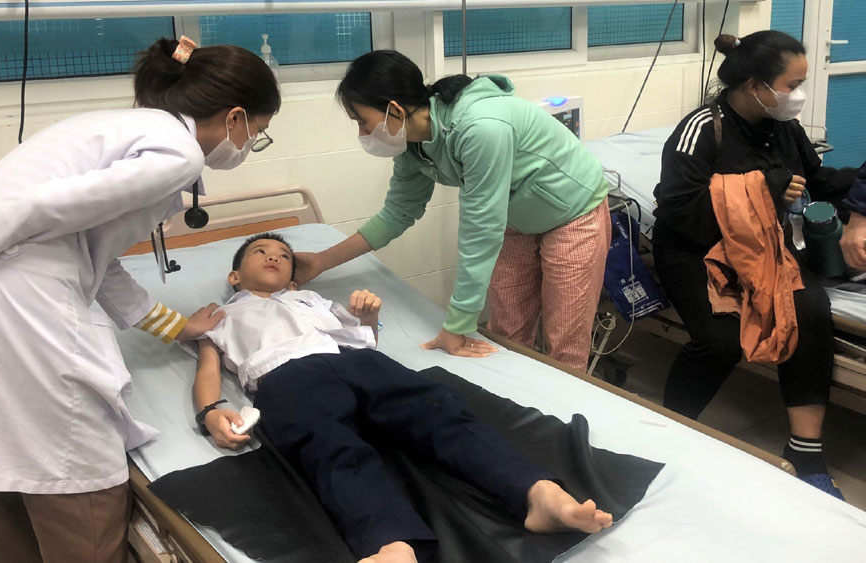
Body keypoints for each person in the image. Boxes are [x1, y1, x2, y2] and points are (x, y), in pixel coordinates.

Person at [0, 37, 280, 562]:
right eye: (256, 133)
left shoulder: (128, 128)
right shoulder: (178, 152)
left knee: (5, 468)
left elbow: (96, 258)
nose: (248, 145)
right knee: (82, 479)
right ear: (236, 117)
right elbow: (38, 208)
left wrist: (177, 328)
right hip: (21, 302)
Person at [194, 233, 614, 563]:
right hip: (285, 376)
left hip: (352, 359)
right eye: (260, 252)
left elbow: (366, 341)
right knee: (329, 445)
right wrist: (210, 411)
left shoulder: (312, 299)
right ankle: (392, 544)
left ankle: (537, 493)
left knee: (438, 410)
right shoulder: (221, 316)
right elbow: (208, 368)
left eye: (284, 256)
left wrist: (369, 318)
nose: (273, 257)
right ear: (235, 277)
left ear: (293, 278)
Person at [294, 50, 611, 371]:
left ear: (394, 109)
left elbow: (481, 229)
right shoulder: (413, 146)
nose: (362, 133)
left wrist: (457, 325)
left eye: (362, 121)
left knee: (564, 341)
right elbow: (396, 215)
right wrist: (320, 261)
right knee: (508, 331)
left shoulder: (480, 127)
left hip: (574, 212)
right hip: (519, 218)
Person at [652, 31, 858, 499]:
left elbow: (818, 181)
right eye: (793, 85)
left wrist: (860, 184)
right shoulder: (701, 128)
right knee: (721, 339)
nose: (799, 95)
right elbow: (681, 211)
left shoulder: (784, 127)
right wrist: (763, 189)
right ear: (755, 85)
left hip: (764, 248)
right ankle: (671, 427)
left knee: (808, 311)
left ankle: (806, 451)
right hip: (695, 249)